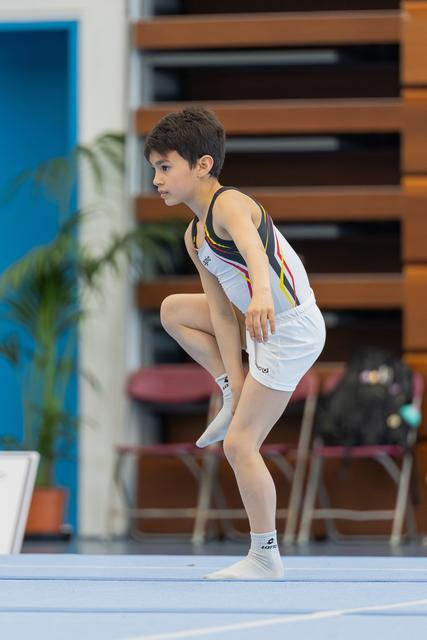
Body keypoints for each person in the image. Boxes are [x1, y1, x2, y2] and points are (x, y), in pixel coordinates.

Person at [144, 106, 326, 580]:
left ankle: (265, 556)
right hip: (253, 320)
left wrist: (263, 294)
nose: (157, 179)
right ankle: (231, 390)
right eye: (154, 170)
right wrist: (235, 383)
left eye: (165, 167)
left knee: (241, 446)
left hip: (289, 327)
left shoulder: (229, 204)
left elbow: (252, 248)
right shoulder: (194, 234)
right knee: (172, 311)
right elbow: (222, 315)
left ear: (202, 165)